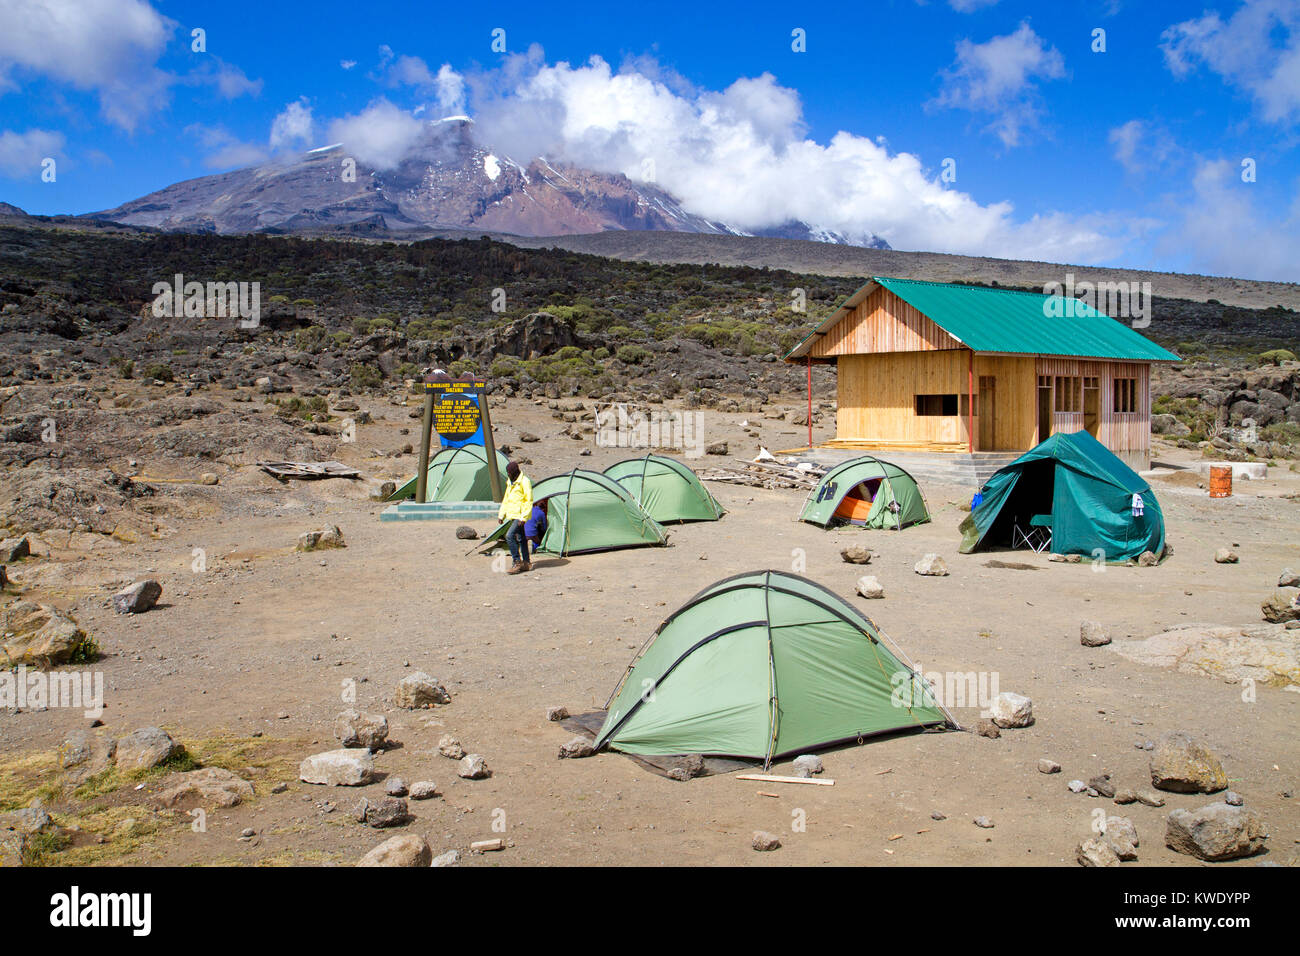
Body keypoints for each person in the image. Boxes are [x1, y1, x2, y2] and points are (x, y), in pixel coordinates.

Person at [499, 460, 533, 573]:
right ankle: (527, 563)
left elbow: (528, 500)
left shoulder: (524, 482)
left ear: (514, 472)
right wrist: (501, 515)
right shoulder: (510, 482)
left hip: (520, 516)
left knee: (509, 536)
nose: (508, 474)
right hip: (513, 515)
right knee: (522, 539)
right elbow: (506, 499)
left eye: (509, 472)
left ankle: (517, 562)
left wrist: (524, 518)